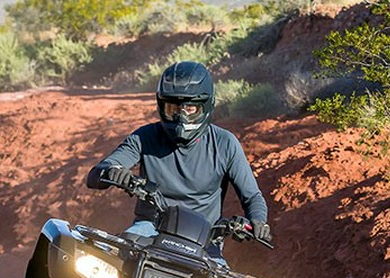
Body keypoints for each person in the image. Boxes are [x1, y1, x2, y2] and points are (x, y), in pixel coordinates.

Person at [86, 61, 272, 264]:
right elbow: (96, 174)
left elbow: (252, 195)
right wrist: (112, 172)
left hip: (205, 238)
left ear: (206, 105)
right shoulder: (145, 137)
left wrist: (258, 221)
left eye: (190, 108)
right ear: (161, 105)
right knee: (112, 265)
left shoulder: (225, 143)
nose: (181, 116)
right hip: (149, 228)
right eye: (173, 108)